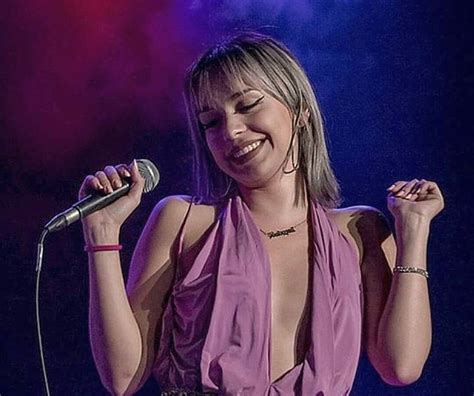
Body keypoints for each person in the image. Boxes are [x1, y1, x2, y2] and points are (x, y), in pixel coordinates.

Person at [79, 33, 444, 395]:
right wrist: (103, 233)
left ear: (299, 109)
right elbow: (122, 377)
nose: (232, 131)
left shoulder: (359, 231)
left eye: (247, 105)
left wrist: (414, 231)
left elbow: (402, 366)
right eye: (211, 122)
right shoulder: (183, 220)